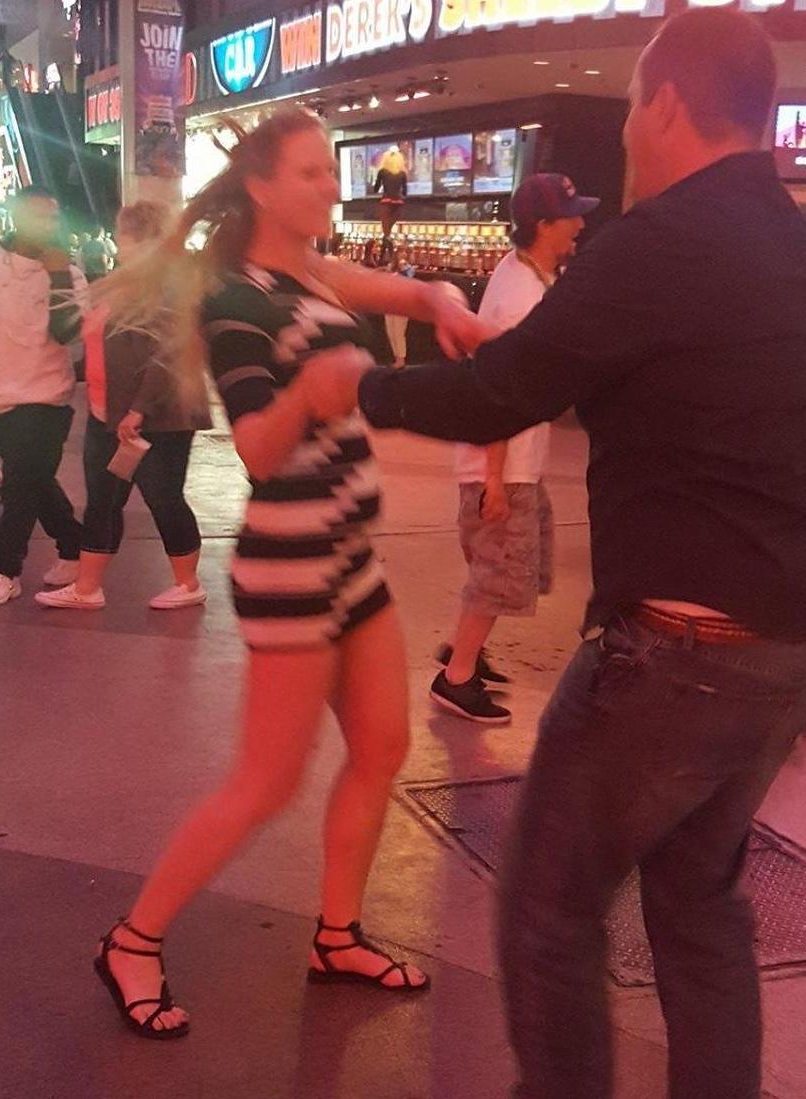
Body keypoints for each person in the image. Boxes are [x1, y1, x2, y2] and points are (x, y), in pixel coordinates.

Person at [305, 11, 806, 1098]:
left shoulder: (661, 240)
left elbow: (500, 399)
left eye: (631, 109)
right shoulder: (788, 239)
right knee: (699, 901)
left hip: (687, 650)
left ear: (663, 104)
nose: (625, 138)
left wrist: (356, 387)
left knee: (550, 907)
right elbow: (586, 368)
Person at [84, 108, 487, 1038]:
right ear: (262, 185)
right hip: (292, 566)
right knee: (265, 782)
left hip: (351, 557)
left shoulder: (306, 271)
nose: (329, 188)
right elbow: (262, 450)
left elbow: (382, 289)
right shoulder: (237, 299)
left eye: (327, 172)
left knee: (382, 747)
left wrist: (438, 303)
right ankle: (132, 940)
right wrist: (316, 389)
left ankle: (336, 936)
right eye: (309, 173)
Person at [431, 173, 598, 724]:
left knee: (500, 566)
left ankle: (464, 652)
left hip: (513, 461)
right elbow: (498, 391)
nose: (581, 223)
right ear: (544, 225)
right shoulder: (521, 294)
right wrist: (496, 479)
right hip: (501, 463)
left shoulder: (527, 274)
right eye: (571, 215)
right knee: (498, 572)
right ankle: (455, 679)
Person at [36, 201, 212, 612]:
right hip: (109, 413)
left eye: (124, 235)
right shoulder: (122, 285)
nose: (118, 243)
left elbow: (168, 352)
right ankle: (88, 586)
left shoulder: (169, 285)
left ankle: (188, 583)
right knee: (102, 500)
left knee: (163, 496)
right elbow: (104, 347)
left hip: (156, 418)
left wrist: (140, 409)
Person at [0, 186, 86, 607]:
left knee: (19, 482)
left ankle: (4, 568)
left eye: (52, 217)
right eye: (36, 216)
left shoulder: (70, 272)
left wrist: (60, 275)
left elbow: (67, 332)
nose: (46, 225)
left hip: (48, 393)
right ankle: (75, 546)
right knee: (33, 478)